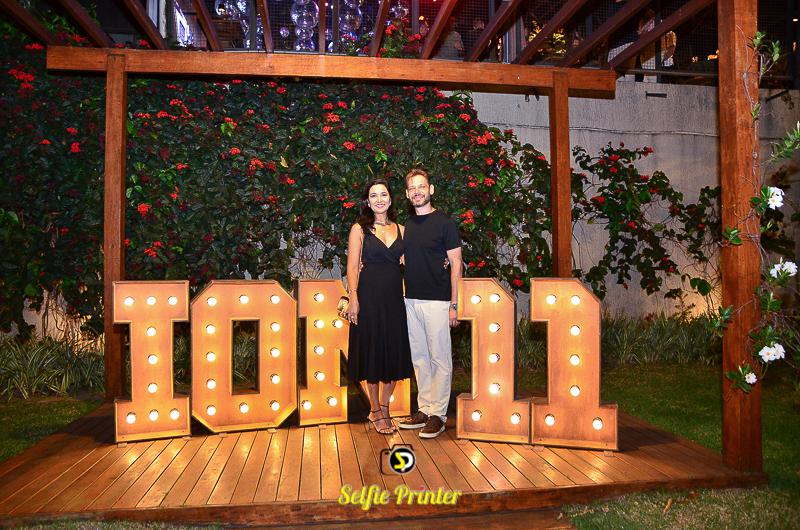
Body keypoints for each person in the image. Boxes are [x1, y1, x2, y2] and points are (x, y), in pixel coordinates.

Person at [398, 169, 462, 438]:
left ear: (431, 189)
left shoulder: (445, 223)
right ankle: (424, 409)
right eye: (412, 188)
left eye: (421, 186)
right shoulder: (408, 225)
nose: (417, 192)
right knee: (420, 358)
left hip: (438, 300)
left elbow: (456, 264)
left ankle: (438, 414)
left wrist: (454, 304)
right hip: (411, 300)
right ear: (407, 194)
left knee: (439, 359)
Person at [346, 178, 413, 435]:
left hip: (394, 299)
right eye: (373, 195)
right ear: (367, 201)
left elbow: (413, 261)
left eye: (383, 194)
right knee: (372, 354)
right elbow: (352, 267)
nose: (379, 199)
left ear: (391, 198)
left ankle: (385, 408)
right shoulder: (359, 229)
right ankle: (375, 410)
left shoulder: (402, 230)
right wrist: (354, 298)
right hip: (368, 298)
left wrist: (441, 261)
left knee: (393, 353)